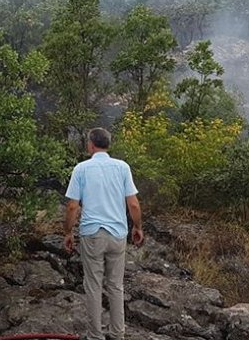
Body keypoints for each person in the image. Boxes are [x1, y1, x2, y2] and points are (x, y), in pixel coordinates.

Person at [64, 128, 144, 340]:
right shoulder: (122, 167)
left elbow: (73, 207)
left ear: (91, 144)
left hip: (91, 235)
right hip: (118, 234)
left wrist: (68, 232)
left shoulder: (81, 169)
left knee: (93, 286)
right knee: (116, 286)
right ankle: (118, 335)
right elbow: (133, 204)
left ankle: (95, 336)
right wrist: (138, 228)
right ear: (108, 144)